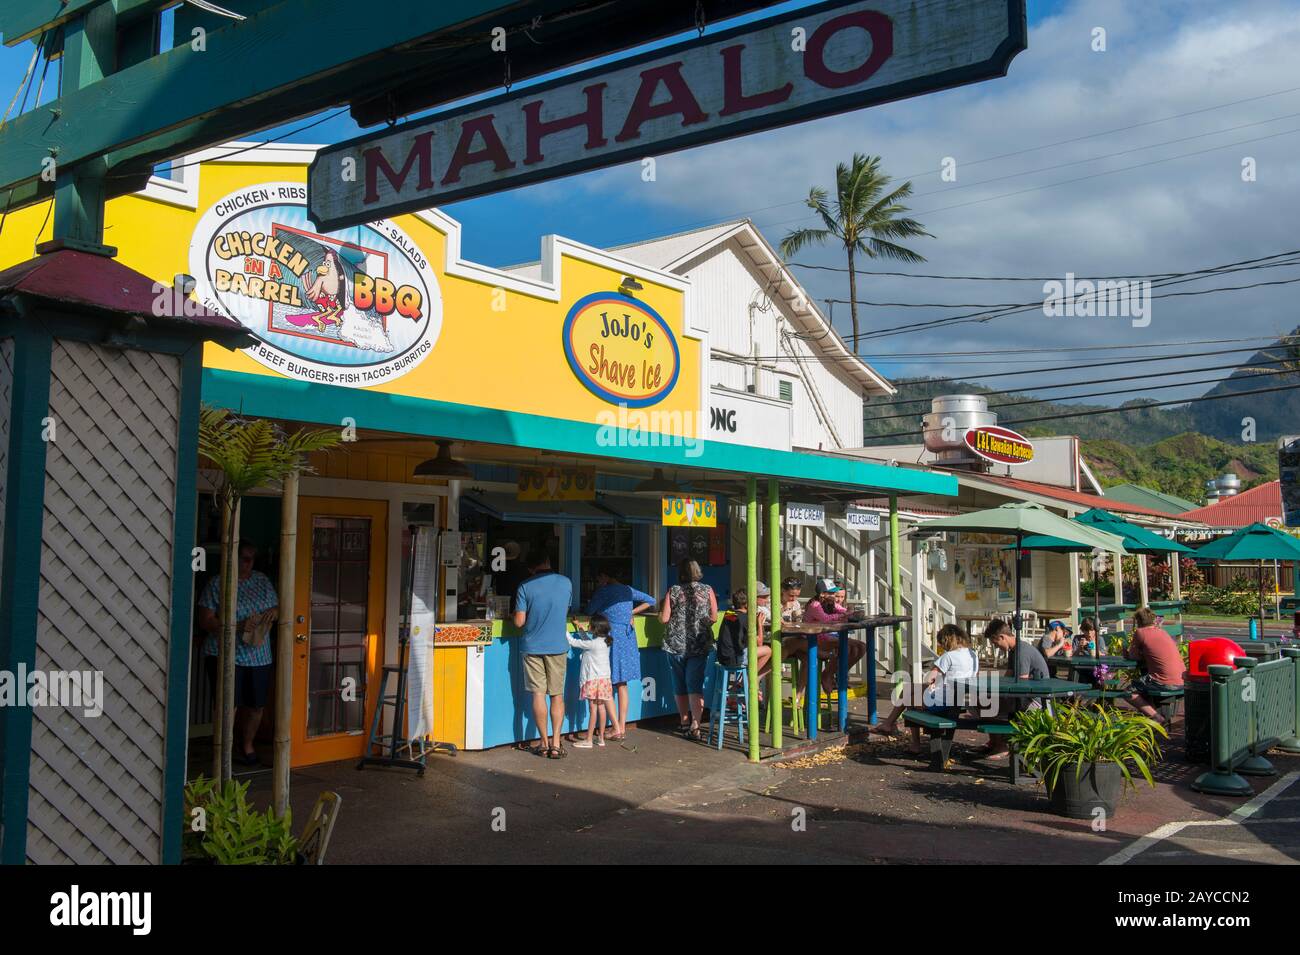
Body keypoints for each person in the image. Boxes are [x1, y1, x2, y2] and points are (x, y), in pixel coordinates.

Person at [196, 540, 279, 767]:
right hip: (225, 653)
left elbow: (278, 607)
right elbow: (205, 621)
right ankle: (223, 750)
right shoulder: (217, 583)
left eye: (252, 559)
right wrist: (236, 625)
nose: (248, 563)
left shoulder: (261, 580)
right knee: (227, 704)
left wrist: (273, 612)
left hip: (259, 654)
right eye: (244, 558)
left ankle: (248, 745)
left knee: (256, 705)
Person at [873, 624, 978, 755]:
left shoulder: (948, 657)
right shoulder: (973, 655)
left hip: (942, 702)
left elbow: (930, 679)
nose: (942, 647)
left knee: (909, 700)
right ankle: (888, 723)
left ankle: (914, 743)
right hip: (958, 697)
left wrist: (929, 686)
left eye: (942, 643)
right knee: (908, 688)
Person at [513, 549, 574, 758]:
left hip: (532, 647)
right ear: (548, 560)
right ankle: (557, 744)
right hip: (558, 646)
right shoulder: (566, 582)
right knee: (557, 695)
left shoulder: (525, 586)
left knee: (538, 695)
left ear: (531, 568)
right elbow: (564, 611)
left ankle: (544, 743)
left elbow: (519, 621)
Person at [585, 565, 654, 740]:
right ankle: (621, 725)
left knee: (608, 681)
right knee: (622, 684)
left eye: (600, 577)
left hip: (611, 637)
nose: (599, 581)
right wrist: (631, 612)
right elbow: (651, 600)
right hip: (628, 637)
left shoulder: (603, 592)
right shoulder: (628, 590)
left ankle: (615, 727)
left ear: (606, 577)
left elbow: (590, 610)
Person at [659, 559, 718, 741]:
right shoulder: (708, 590)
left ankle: (684, 722)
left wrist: (660, 613)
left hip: (675, 644)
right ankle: (696, 724)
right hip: (699, 644)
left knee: (679, 685)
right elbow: (714, 617)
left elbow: (664, 619)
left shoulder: (674, 590)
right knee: (695, 685)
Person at [983, 618, 1049, 758]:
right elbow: (1009, 675)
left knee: (989, 704)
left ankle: (1002, 745)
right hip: (1026, 696)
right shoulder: (1015, 650)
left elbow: (1022, 682)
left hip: (1036, 700)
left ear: (1002, 637)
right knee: (986, 701)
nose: (996, 647)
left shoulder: (1021, 652)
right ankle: (996, 742)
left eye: (996, 643)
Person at [801, 578, 866, 694]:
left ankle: (838, 672)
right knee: (846, 646)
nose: (834, 595)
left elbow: (843, 610)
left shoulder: (830, 603)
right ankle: (828, 674)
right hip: (813, 639)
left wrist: (851, 612)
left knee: (861, 647)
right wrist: (844, 615)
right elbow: (825, 619)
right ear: (822, 594)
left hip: (824, 637)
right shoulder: (814, 605)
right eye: (831, 593)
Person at [1124, 606, 1185, 724]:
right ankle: (1150, 716)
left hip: (1164, 682)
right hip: (1181, 680)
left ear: (1138, 621)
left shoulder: (1140, 632)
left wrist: (1125, 652)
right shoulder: (1162, 631)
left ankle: (1156, 717)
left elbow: (1133, 657)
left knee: (1128, 692)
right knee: (1144, 683)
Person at [567, 614, 614, 749]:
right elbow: (587, 641)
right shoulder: (605, 641)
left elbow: (573, 642)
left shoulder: (593, 644)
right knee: (601, 708)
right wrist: (579, 627)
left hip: (593, 680)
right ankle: (600, 738)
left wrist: (562, 629)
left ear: (595, 628)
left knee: (592, 709)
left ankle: (588, 739)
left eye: (589, 625)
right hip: (604, 680)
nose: (587, 626)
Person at [729, 587, 772, 677]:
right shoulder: (746, 618)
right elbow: (759, 642)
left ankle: (745, 681)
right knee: (767, 650)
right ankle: (750, 679)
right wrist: (759, 624)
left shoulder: (730, 613)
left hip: (724, 655)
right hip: (735, 657)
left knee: (754, 651)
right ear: (747, 604)